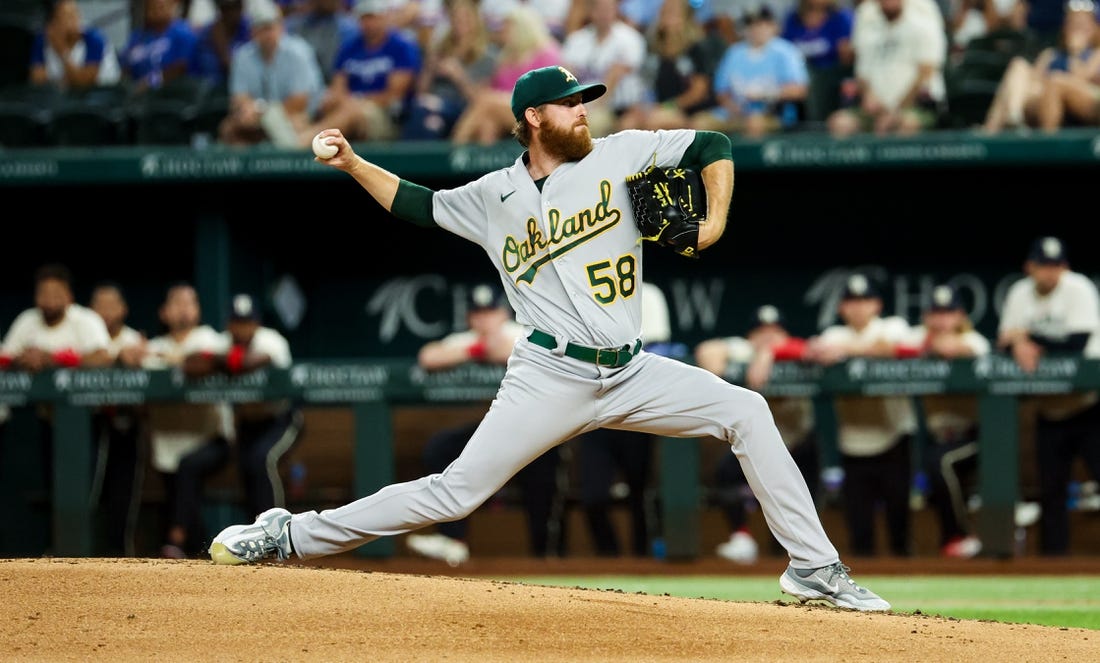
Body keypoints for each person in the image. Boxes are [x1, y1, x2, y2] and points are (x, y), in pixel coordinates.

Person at [210, 64, 891, 613]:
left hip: (633, 370)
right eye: (571, 104)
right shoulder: (491, 196)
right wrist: (354, 162)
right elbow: (418, 204)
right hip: (549, 375)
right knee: (454, 492)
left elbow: (714, 146)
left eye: (585, 101)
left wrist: (710, 225)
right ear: (534, 118)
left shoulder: (623, 153)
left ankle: (815, 568)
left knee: (748, 410)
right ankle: (289, 533)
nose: (584, 112)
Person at [405, 283, 566, 565]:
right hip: (491, 430)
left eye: (490, 312)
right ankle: (453, 541)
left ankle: (546, 558)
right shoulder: (465, 339)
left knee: (543, 479)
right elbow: (428, 357)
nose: (484, 319)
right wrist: (477, 347)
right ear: (470, 317)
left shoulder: (521, 332)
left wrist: (484, 349)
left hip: (533, 430)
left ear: (503, 314)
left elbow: (507, 349)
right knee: (440, 449)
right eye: (477, 313)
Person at [997, 236, 1100, 556]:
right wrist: (1015, 343)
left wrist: (1027, 335)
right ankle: (1054, 562)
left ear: (1065, 267)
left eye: (1056, 266)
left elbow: (1077, 342)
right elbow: (1002, 340)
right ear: (1030, 267)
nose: (1050, 273)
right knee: (1051, 492)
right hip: (1047, 409)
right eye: (1043, 266)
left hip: (1088, 405)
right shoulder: (1019, 293)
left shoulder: (1078, 287)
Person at [804, 272, 917, 558]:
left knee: (899, 521)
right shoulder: (834, 334)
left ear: (877, 304)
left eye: (865, 300)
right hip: (852, 442)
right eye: (852, 301)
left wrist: (845, 351)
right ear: (842, 307)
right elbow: (816, 349)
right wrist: (831, 349)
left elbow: (892, 347)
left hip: (894, 436)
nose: (858, 307)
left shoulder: (892, 326)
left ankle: (908, 583)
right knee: (859, 527)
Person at [696, 304, 820, 565]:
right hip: (757, 447)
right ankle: (742, 538)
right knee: (726, 473)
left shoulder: (799, 349)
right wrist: (717, 376)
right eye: (761, 332)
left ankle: (802, 559)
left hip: (796, 444)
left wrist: (770, 352)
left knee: (799, 502)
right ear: (749, 336)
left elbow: (817, 350)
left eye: (775, 331)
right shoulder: (742, 350)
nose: (768, 336)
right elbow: (708, 351)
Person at [183, 293, 306, 538]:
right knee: (248, 472)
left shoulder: (272, 340)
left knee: (263, 459)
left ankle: (279, 535)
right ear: (229, 324)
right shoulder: (223, 342)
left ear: (257, 323)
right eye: (237, 323)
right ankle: (256, 537)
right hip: (248, 423)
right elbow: (190, 364)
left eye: (247, 323)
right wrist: (223, 359)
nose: (242, 329)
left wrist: (222, 362)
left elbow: (255, 361)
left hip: (280, 418)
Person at [573, 282, 677, 558]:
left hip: (635, 408)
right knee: (593, 496)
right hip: (593, 408)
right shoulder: (578, 285)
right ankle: (610, 562)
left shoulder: (648, 292)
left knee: (640, 495)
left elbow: (659, 347)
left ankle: (644, 563)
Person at [895, 284, 992, 558]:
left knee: (940, 461)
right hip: (938, 436)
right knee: (933, 460)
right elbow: (890, 347)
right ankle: (944, 542)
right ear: (926, 316)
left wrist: (933, 345)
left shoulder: (975, 339)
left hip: (976, 434)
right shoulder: (917, 336)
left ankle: (960, 535)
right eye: (935, 313)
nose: (941, 320)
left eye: (948, 313)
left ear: (960, 316)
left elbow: (959, 348)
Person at [142, 282, 234, 559]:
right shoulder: (154, 346)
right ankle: (199, 552)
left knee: (187, 469)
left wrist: (172, 360)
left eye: (189, 302)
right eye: (177, 303)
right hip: (167, 442)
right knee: (182, 495)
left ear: (198, 310)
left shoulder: (211, 339)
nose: (183, 309)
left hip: (212, 439)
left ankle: (176, 541)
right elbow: (136, 359)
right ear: (164, 312)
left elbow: (218, 358)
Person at [88, 282, 148, 557]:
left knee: (122, 498)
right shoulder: (86, 338)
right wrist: (114, 358)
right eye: (99, 305)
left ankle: (118, 557)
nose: (105, 311)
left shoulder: (135, 340)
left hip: (126, 427)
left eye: (111, 305)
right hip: (89, 426)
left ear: (123, 308)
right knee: (89, 495)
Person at [218, 0, 325, 146]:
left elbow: (300, 102)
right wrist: (252, 112)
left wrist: (262, 111)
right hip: (256, 118)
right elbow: (239, 98)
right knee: (229, 127)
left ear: (281, 27)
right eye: (261, 28)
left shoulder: (298, 52)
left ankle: (291, 166)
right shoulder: (243, 56)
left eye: (270, 27)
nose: (267, 34)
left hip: (298, 116)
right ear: (253, 31)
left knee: (291, 123)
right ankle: (242, 168)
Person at [28, 0, 122, 91]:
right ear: (54, 23)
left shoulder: (94, 39)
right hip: (61, 93)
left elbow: (83, 83)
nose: (74, 22)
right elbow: (37, 79)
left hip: (103, 92)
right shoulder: (42, 40)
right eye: (66, 17)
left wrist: (62, 52)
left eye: (75, 15)